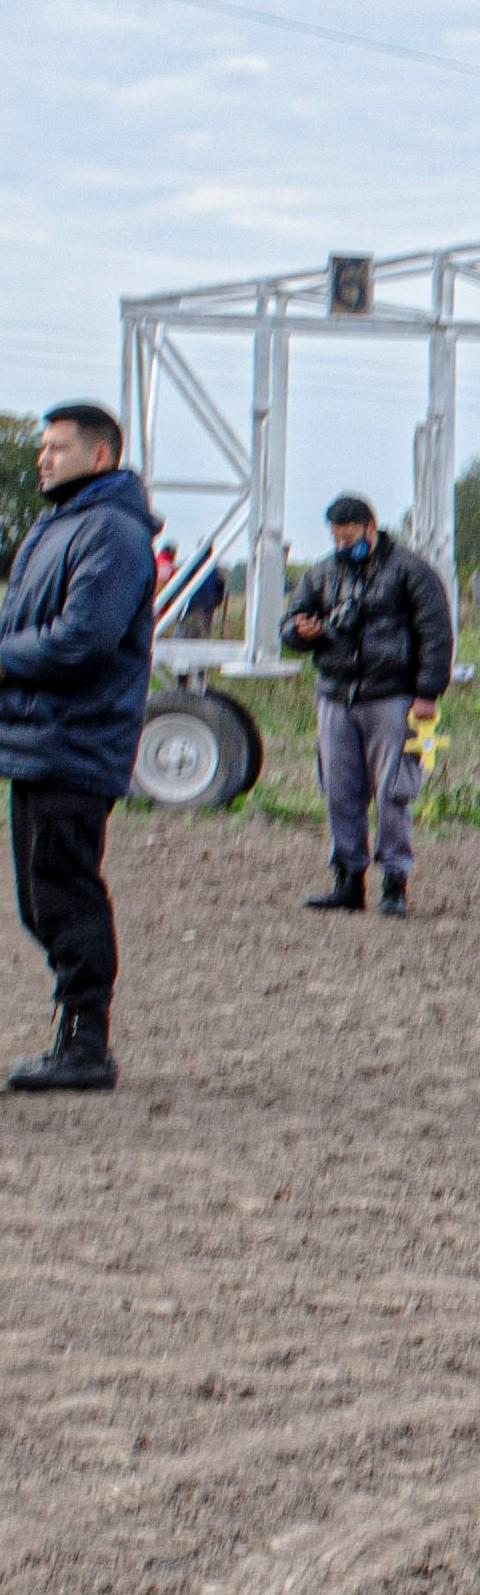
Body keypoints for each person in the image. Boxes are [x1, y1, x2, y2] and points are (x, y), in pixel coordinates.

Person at [0, 401, 157, 1094]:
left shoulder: (113, 534)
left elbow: (81, 639)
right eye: (43, 446)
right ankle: (71, 1034)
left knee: (65, 890)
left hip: (76, 739)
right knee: (42, 896)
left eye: (57, 447)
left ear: (101, 456)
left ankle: (86, 1044)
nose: (43, 457)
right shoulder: (56, 526)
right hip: (37, 738)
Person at [282, 494, 452, 918]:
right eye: (336, 538)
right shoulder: (321, 573)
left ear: (370, 530)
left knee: (394, 791)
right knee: (340, 790)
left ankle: (395, 881)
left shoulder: (412, 573)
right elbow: (289, 625)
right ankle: (347, 879)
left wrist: (428, 692)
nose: (342, 545)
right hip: (336, 696)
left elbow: (436, 633)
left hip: (391, 697)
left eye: (350, 536)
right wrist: (301, 631)